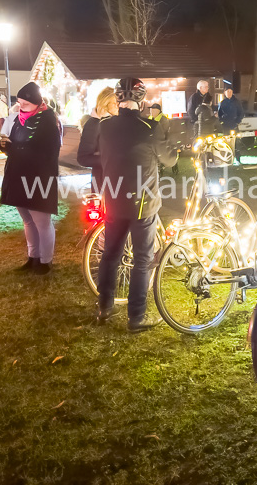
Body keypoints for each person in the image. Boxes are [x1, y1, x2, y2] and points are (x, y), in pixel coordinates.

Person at [95, 77, 178, 332]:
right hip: (143, 203)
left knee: (111, 255)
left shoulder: (104, 126)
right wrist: (173, 148)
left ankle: (104, 307)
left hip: (114, 200)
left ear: (118, 98)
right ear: (142, 101)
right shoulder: (149, 128)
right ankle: (136, 316)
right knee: (142, 259)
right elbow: (169, 159)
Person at [0, 82, 62, 276]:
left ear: (37, 103)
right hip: (18, 175)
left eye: (25, 103)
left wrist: (17, 149)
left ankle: (45, 261)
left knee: (42, 222)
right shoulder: (19, 118)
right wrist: (6, 146)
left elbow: (49, 153)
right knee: (27, 220)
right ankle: (33, 257)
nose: (21, 106)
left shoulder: (48, 121)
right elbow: (15, 143)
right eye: (19, 102)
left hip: (38, 179)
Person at [77, 86, 118, 194]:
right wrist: (110, 159)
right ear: (105, 103)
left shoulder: (115, 122)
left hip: (116, 179)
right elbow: (83, 158)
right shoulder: (94, 124)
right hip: (102, 181)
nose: (118, 106)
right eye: (115, 103)